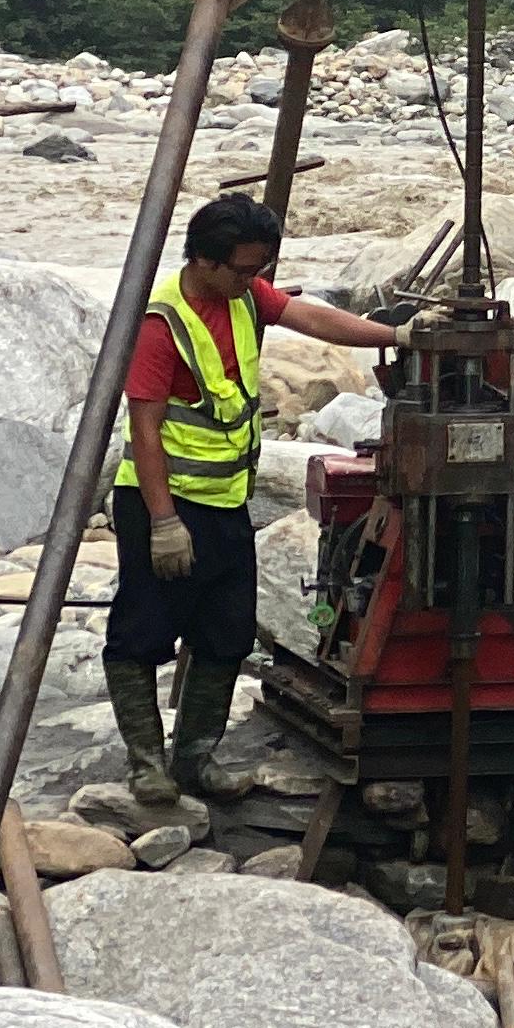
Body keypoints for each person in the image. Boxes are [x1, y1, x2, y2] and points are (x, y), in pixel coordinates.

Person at [111, 193, 399, 803]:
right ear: (206, 262)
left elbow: (311, 318)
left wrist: (394, 335)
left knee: (225, 634)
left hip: (224, 502)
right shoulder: (162, 324)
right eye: (243, 269)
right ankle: (145, 762)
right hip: (165, 505)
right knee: (142, 632)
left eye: (259, 270)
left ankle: (194, 758)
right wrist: (164, 522)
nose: (253, 281)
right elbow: (145, 427)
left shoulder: (242, 296)